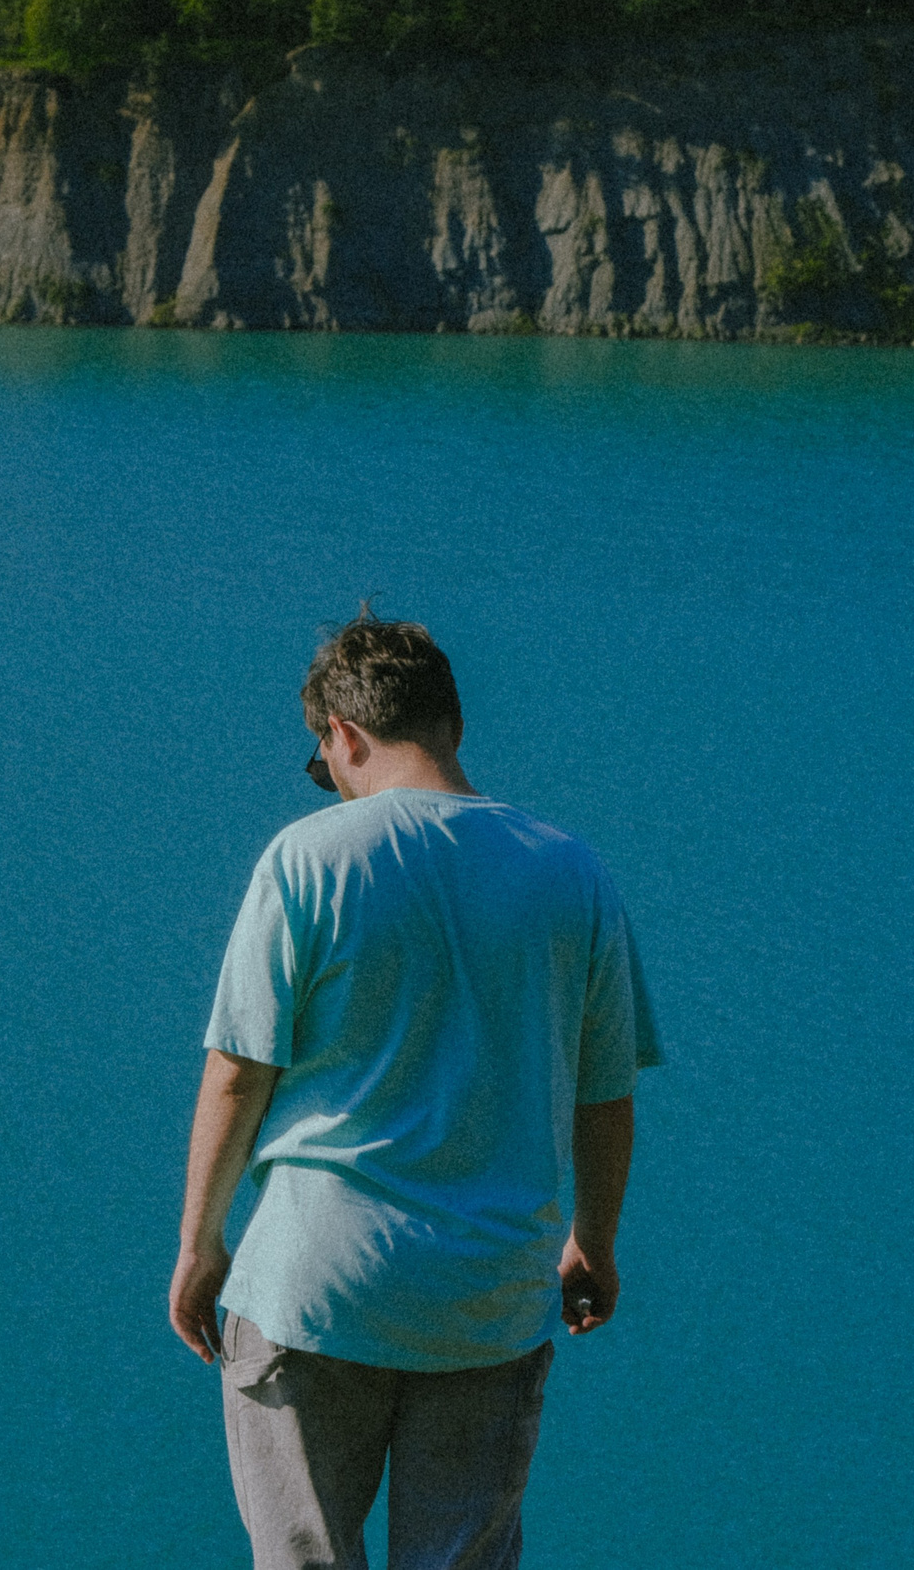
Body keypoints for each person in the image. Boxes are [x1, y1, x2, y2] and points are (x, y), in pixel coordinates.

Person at [168, 608, 663, 1570]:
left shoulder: (310, 858)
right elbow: (605, 1096)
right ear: (455, 726)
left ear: (343, 735)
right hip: (487, 1297)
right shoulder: (572, 872)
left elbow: (238, 1070)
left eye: (322, 762)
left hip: (314, 1284)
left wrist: (199, 1243)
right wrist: (593, 1243)